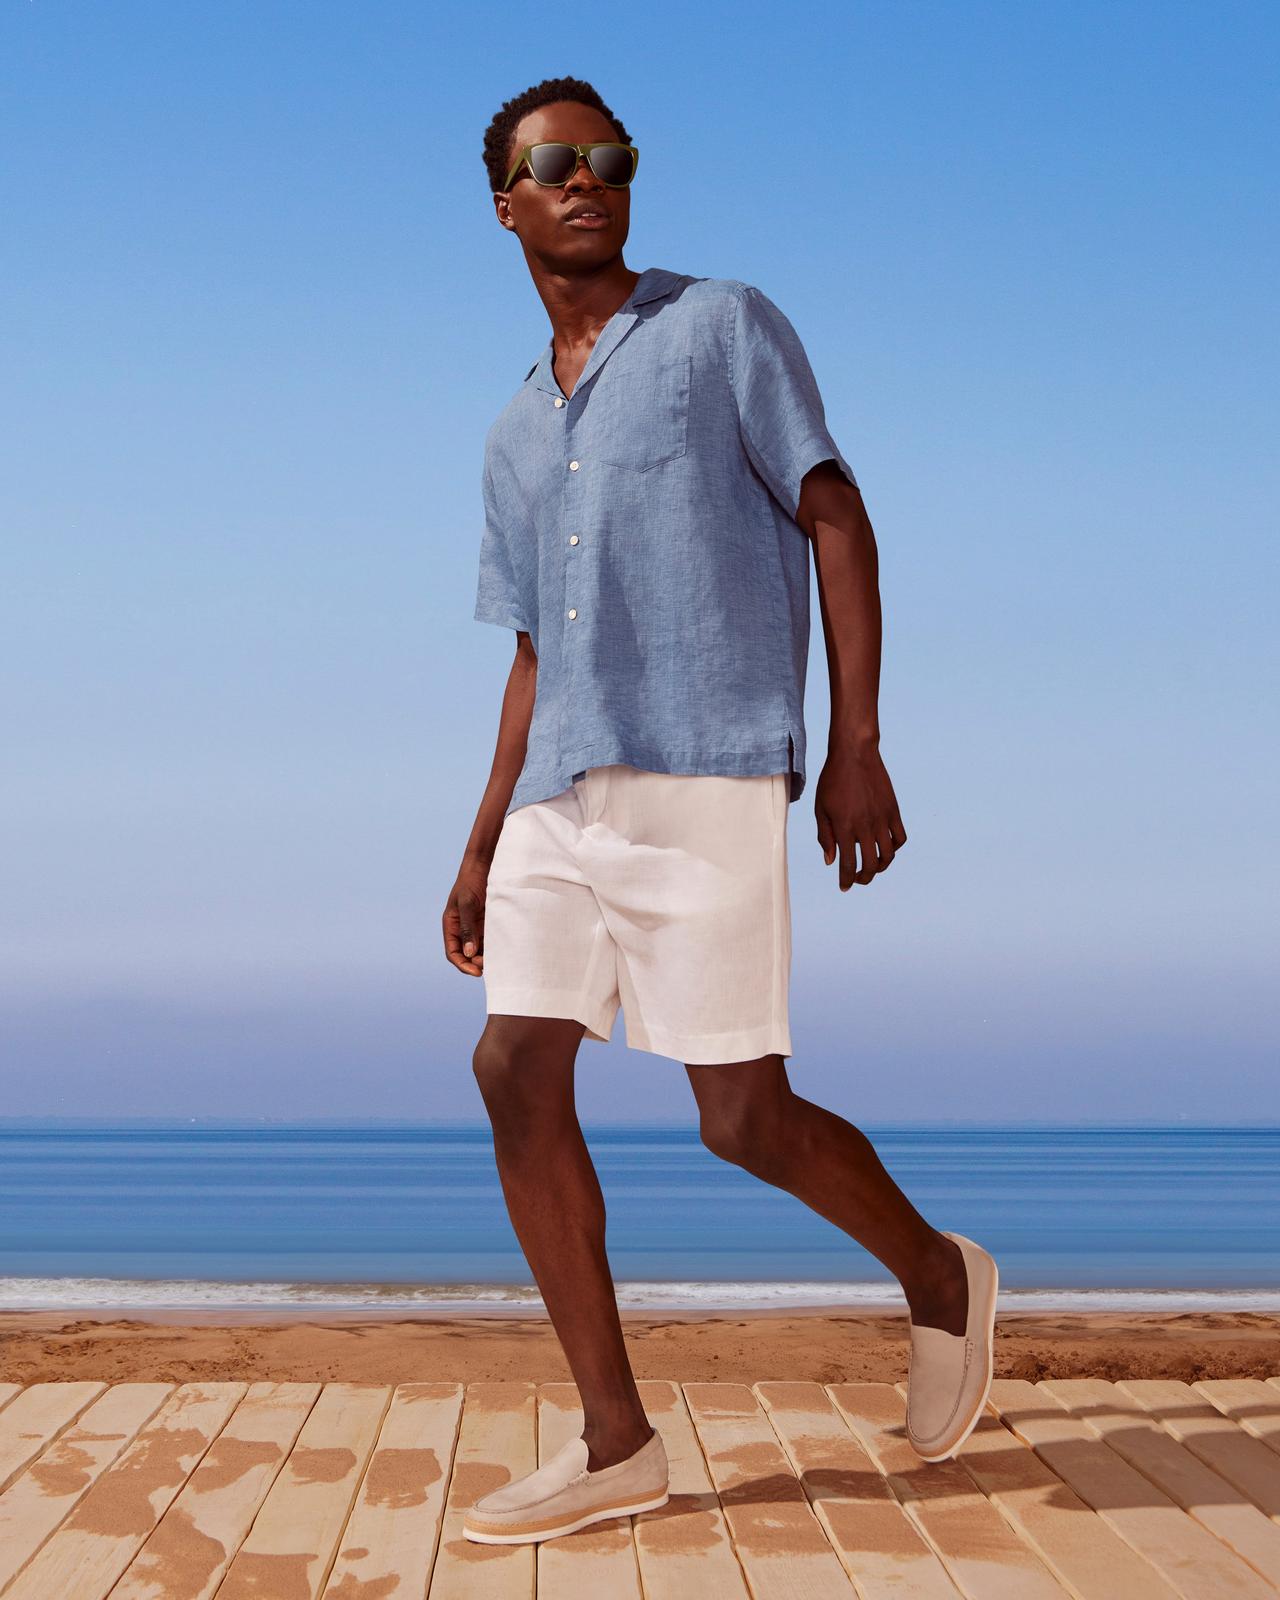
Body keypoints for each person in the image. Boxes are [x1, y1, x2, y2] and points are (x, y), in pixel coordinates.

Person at [443, 75, 998, 1545]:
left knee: (741, 1118)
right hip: (561, 790)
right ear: (504, 203)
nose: (586, 181)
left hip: (710, 767)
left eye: (608, 160)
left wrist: (857, 741)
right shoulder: (509, 435)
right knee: (511, 1068)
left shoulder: (720, 327)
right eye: (553, 164)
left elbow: (835, 510)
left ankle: (938, 1276)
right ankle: (617, 1440)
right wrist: (484, 834)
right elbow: (532, 653)